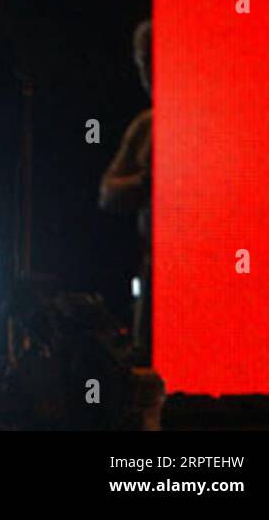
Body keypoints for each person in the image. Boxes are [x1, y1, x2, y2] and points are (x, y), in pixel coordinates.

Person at [99, 19, 152, 364]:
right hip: (157, 270)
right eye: (143, 62)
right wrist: (148, 183)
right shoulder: (147, 126)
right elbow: (107, 194)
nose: (149, 71)